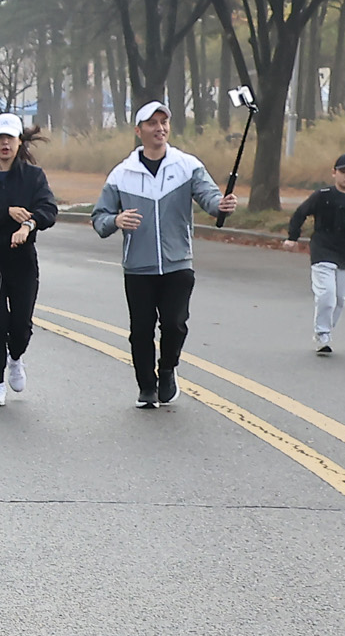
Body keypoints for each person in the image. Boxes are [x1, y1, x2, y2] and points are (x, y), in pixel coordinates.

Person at [90, 101, 237, 407]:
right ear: (139, 130)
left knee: (174, 323)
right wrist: (116, 220)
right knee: (141, 330)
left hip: (177, 263)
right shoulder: (122, 174)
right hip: (138, 268)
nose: (159, 128)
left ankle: (167, 368)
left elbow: (210, 197)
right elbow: (99, 219)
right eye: (152, 123)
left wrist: (220, 206)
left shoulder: (186, 166)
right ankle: (146, 386)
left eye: (163, 122)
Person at [0, 112, 57, 406]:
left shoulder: (33, 176)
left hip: (23, 262)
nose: (5, 143)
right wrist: (6, 211)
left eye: (10, 138)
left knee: (20, 326)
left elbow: (48, 210)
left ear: (19, 142)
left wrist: (28, 226)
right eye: (0, 138)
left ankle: (15, 357)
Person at [284, 152, 345, 355]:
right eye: (343, 172)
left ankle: (325, 328)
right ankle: (322, 333)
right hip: (322, 249)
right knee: (327, 295)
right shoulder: (322, 195)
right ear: (334, 173)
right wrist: (292, 237)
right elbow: (300, 213)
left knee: (340, 299)